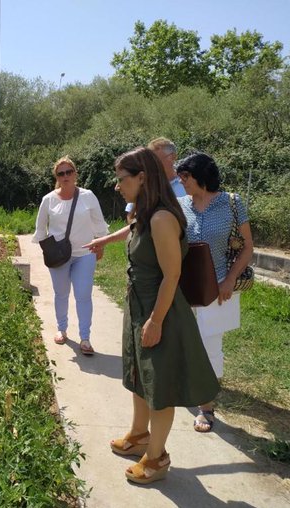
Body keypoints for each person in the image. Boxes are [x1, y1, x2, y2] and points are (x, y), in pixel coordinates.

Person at [108, 147, 219, 484]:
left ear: (142, 178)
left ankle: (157, 457)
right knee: (140, 377)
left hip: (161, 311)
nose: (118, 187)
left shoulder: (160, 218)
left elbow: (171, 275)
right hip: (139, 306)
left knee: (160, 386)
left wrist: (155, 321)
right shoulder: (143, 215)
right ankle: (139, 435)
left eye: (122, 179)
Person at [176, 153, 254, 432]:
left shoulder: (231, 203)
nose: (181, 181)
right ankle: (187, 386)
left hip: (218, 285)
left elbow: (247, 247)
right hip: (184, 286)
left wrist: (230, 280)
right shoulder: (180, 204)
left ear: (201, 176)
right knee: (185, 340)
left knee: (211, 345)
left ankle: (206, 407)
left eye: (185, 176)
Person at [32, 155, 109, 355]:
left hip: (85, 253)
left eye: (69, 172)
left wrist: (100, 246)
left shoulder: (88, 196)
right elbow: (40, 230)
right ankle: (62, 329)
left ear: (75, 174)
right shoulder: (48, 200)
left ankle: (85, 338)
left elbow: (99, 224)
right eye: (61, 173)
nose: (65, 176)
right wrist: (47, 251)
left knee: (83, 295)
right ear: (56, 177)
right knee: (61, 293)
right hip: (59, 257)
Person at [85, 137, 186, 249]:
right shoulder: (147, 194)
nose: (152, 166)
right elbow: (134, 223)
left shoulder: (186, 184)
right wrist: (108, 239)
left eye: (156, 161)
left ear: (173, 157)